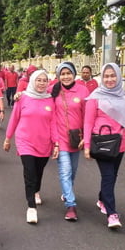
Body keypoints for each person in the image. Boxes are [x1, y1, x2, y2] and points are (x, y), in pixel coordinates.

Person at [83, 63, 125, 229]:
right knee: (108, 176)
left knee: (112, 176)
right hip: (101, 143)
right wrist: (87, 146)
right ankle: (112, 214)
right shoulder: (95, 97)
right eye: (106, 76)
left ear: (118, 76)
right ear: (102, 78)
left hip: (120, 144)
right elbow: (87, 123)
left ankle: (102, 199)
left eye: (112, 75)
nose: (109, 79)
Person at [3, 69, 58, 224]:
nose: (41, 83)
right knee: (29, 171)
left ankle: (36, 191)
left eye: (44, 80)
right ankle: (31, 207)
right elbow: (14, 119)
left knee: (38, 172)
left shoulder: (50, 100)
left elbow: (53, 123)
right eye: (38, 80)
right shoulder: (23, 98)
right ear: (33, 81)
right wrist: (7, 138)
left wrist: (56, 143)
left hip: (44, 142)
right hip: (25, 141)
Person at [51, 62, 90, 221]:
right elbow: (37, 93)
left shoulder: (83, 90)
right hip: (60, 139)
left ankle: (67, 192)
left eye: (69, 73)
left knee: (72, 172)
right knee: (65, 171)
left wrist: (86, 138)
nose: (66, 76)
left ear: (74, 74)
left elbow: (88, 116)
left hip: (77, 139)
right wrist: (21, 94)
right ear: (59, 76)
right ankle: (70, 205)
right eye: (62, 74)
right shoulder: (53, 90)